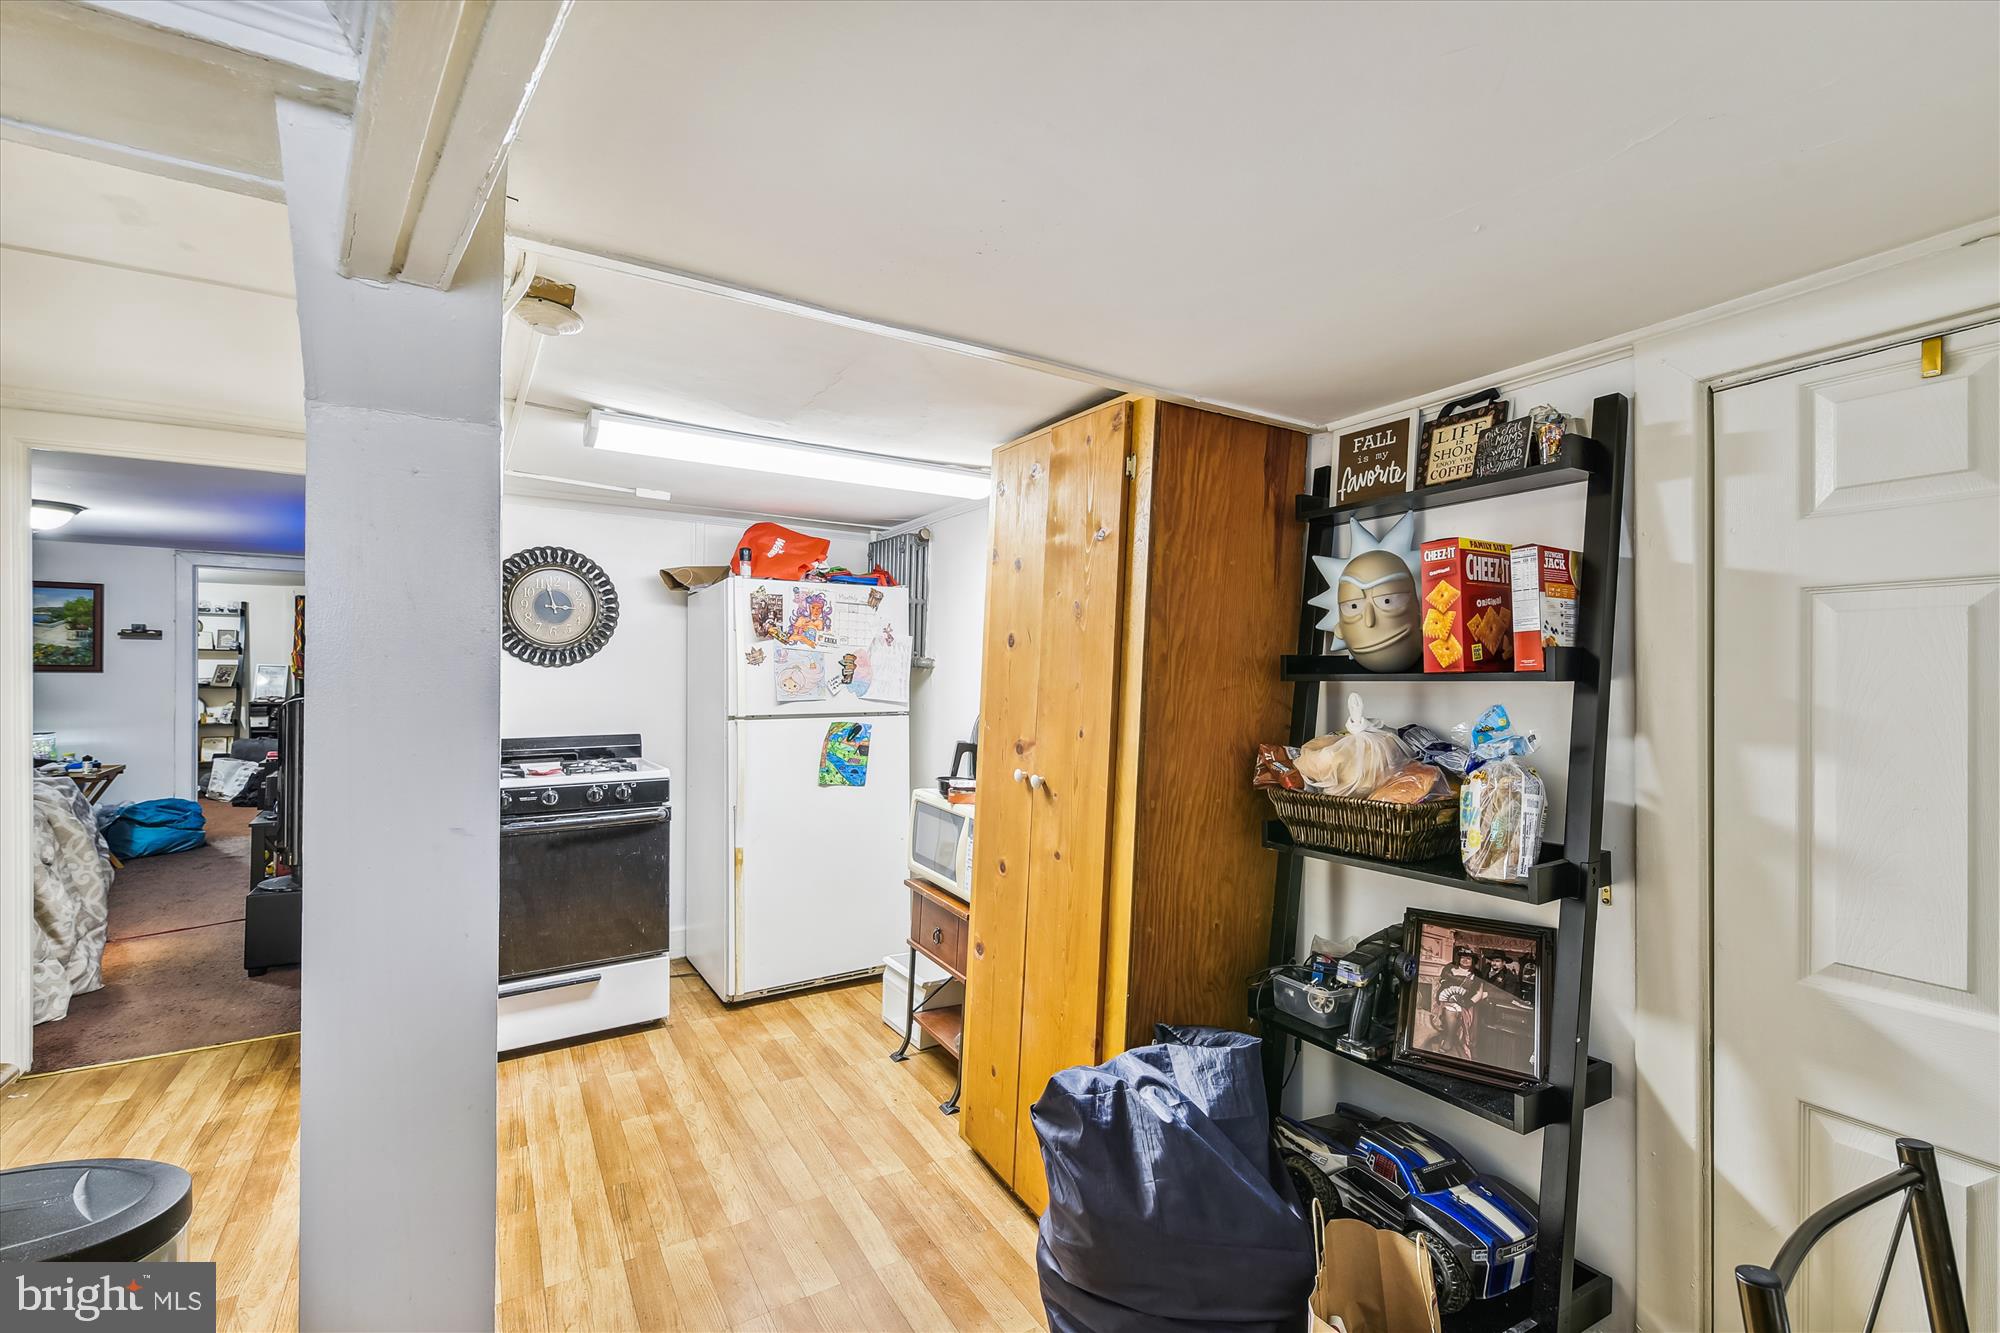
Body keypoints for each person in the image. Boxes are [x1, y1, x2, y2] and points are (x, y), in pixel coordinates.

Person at [1431, 946, 1489, 1062]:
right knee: (1450, 1011)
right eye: (1463, 958)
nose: (1465, 960)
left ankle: (1454, 1041)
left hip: (1467, 1003)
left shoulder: (1477, 974)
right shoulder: (1450, 969)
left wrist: (1468, 1002)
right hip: (1448, 1001)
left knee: (1456, 1011)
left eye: (1468, 958)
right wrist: (1447, 998)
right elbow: (1443, 988)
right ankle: (1449, 1039)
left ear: (1473, 961)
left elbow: (1480, 992)